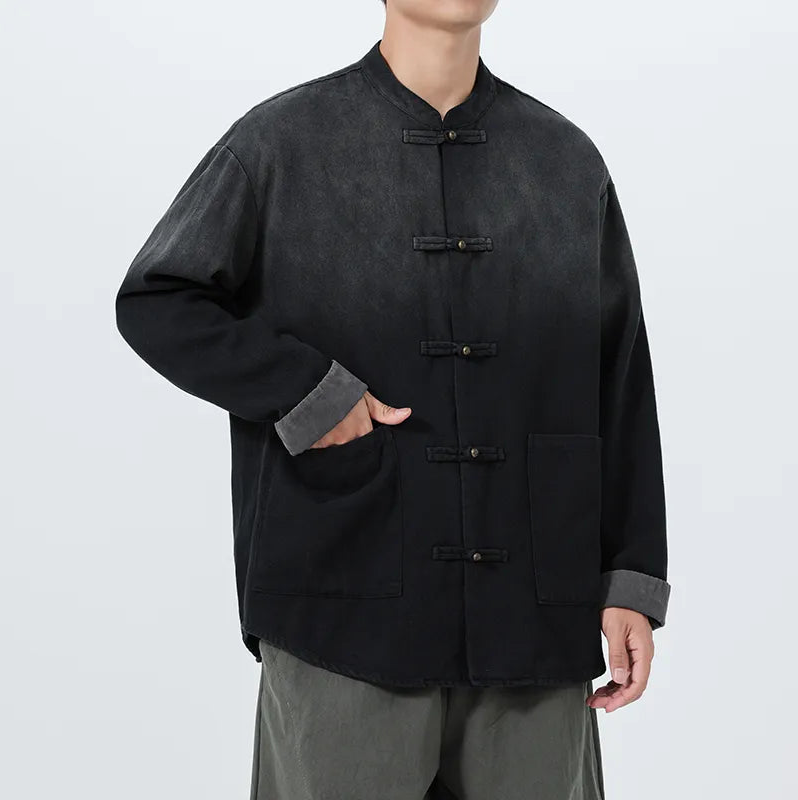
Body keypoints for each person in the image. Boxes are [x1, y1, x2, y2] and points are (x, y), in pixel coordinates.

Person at [115, 1, 672, 797]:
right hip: (343, 602)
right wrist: (306, 391)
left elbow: (620, 379)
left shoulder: (565, 161)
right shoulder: (281, 143)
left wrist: (632, 578)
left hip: (534, 619)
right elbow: (159, 297)